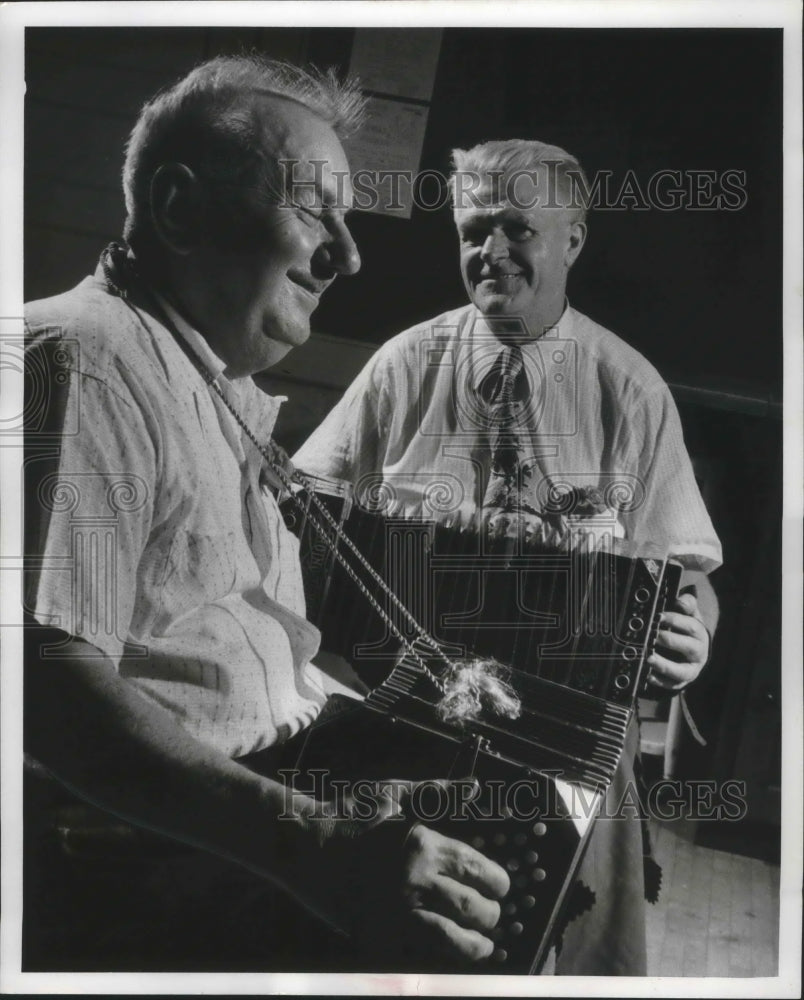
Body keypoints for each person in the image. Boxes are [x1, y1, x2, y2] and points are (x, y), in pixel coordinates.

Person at [22, 56, 511, 973]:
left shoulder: (208, 380)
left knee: (563, 795)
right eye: (316, 210)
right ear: (178, 207)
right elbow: (44, 684)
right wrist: (317, 848)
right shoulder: (84, 357)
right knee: (480, 921)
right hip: (160, 854)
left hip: (275, 776)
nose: (348, 255)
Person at [293, 139, 722, 975]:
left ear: (573, 241)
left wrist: (692, 635)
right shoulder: (401, 367)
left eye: (518, 228)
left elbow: (689, 577)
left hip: (571, 754)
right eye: (473, 230)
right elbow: (303, 518)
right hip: (397, 738)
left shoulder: (631, 390)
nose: (491, 250)